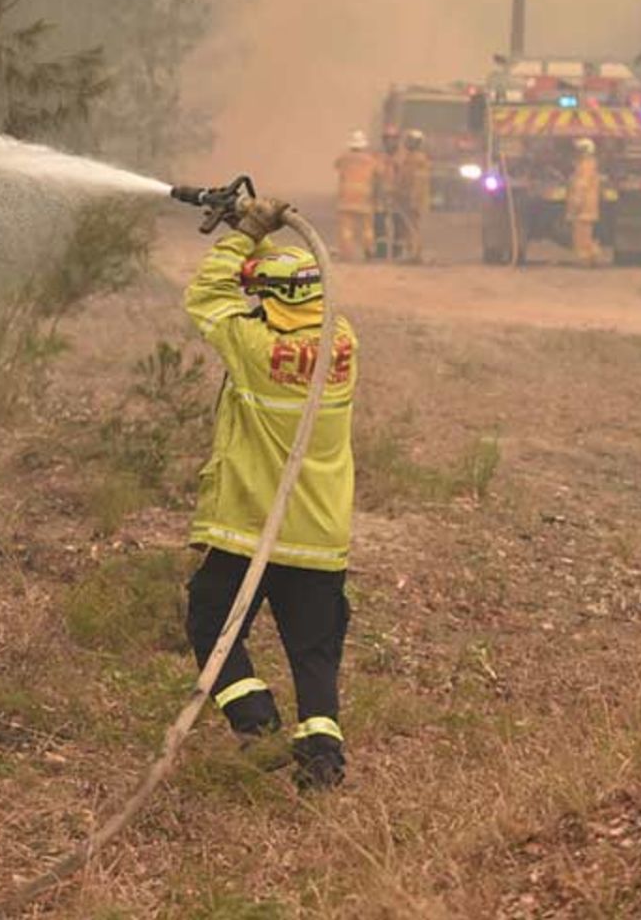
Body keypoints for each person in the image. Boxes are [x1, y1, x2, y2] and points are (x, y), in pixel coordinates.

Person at [183, 196, 360, 791]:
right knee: (313, 651)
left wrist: (243, 237)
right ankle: (323, 763)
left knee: (211, 617)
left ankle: (255, 725)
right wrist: (262, 243)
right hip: (320, 534)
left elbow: (206, 295)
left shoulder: (253, 349)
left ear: (271, 301)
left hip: (255, 525)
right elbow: (288, 295)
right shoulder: (343, 344)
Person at [333, 131, 378, 262]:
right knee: (367, 229)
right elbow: (379, 174)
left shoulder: (343, 158)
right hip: (364, 200)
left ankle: (347, 255)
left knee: (346, 230)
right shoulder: (371, 160)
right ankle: (369, 251)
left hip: (346, 200)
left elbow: (337, 167)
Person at [392, 129, 432, 262]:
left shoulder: (417, 160)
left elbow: (417, 183)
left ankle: (414, 254)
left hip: (413, 200)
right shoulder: (412, 159)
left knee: (412, 228)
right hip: (408, 199)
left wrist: (413, 200)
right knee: (410, 227)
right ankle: (413, 252)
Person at [567, 137, 602, 265]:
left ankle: (587, 257)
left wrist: (576, 201)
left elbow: (582, 184)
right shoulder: (588, 164)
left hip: (584, 206)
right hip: (587, 206)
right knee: (584, 233)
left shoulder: (586, 165)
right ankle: (590, 256)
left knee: (582, 234)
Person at [372, 127, 401, 259]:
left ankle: (398, 254)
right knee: (379, 226)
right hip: (380, 198)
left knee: (399, 227)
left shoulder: (403, 157)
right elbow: (373, 175)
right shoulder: (377, 157)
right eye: (388, 139)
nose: (390, 142)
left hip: (397, 198)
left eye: (393, 139)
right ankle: (381, 253)